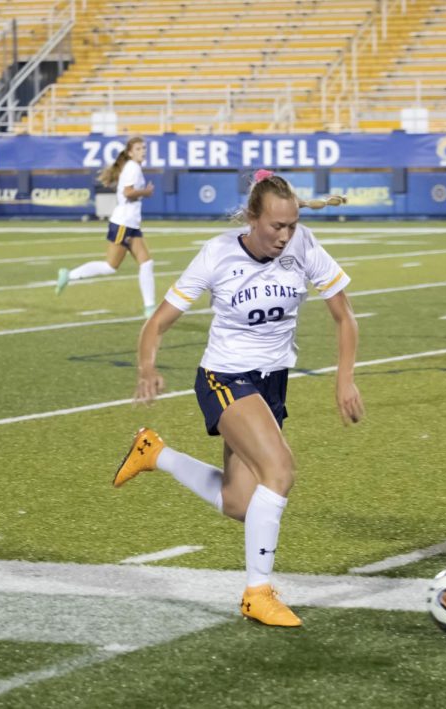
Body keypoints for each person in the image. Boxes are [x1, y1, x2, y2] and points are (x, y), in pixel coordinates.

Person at [113, 171, 364, 627]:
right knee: (280, 470)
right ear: (252, 218)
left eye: (291, 226)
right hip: (224, 377)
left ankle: (155, 454)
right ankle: (257, 593)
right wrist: (147, 367)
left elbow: (344, 317)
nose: (285, 236)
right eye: (276, 227)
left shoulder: (303, 244)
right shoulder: (218, 253)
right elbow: (157, 323)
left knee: (240, 504)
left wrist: (344, 378)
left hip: (272, 384)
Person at [56, 136, 156, 317]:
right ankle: (69, 275)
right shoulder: (132, 168)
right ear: (131, 152)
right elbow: (128, 192)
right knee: (110, 267)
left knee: (147, 263)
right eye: (139, 149)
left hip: (131, 223)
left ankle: (149, 308)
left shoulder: (133, 167)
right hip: (123, 223)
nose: (143, 152)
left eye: (144, 148)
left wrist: (143, 193)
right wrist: (146, 192)